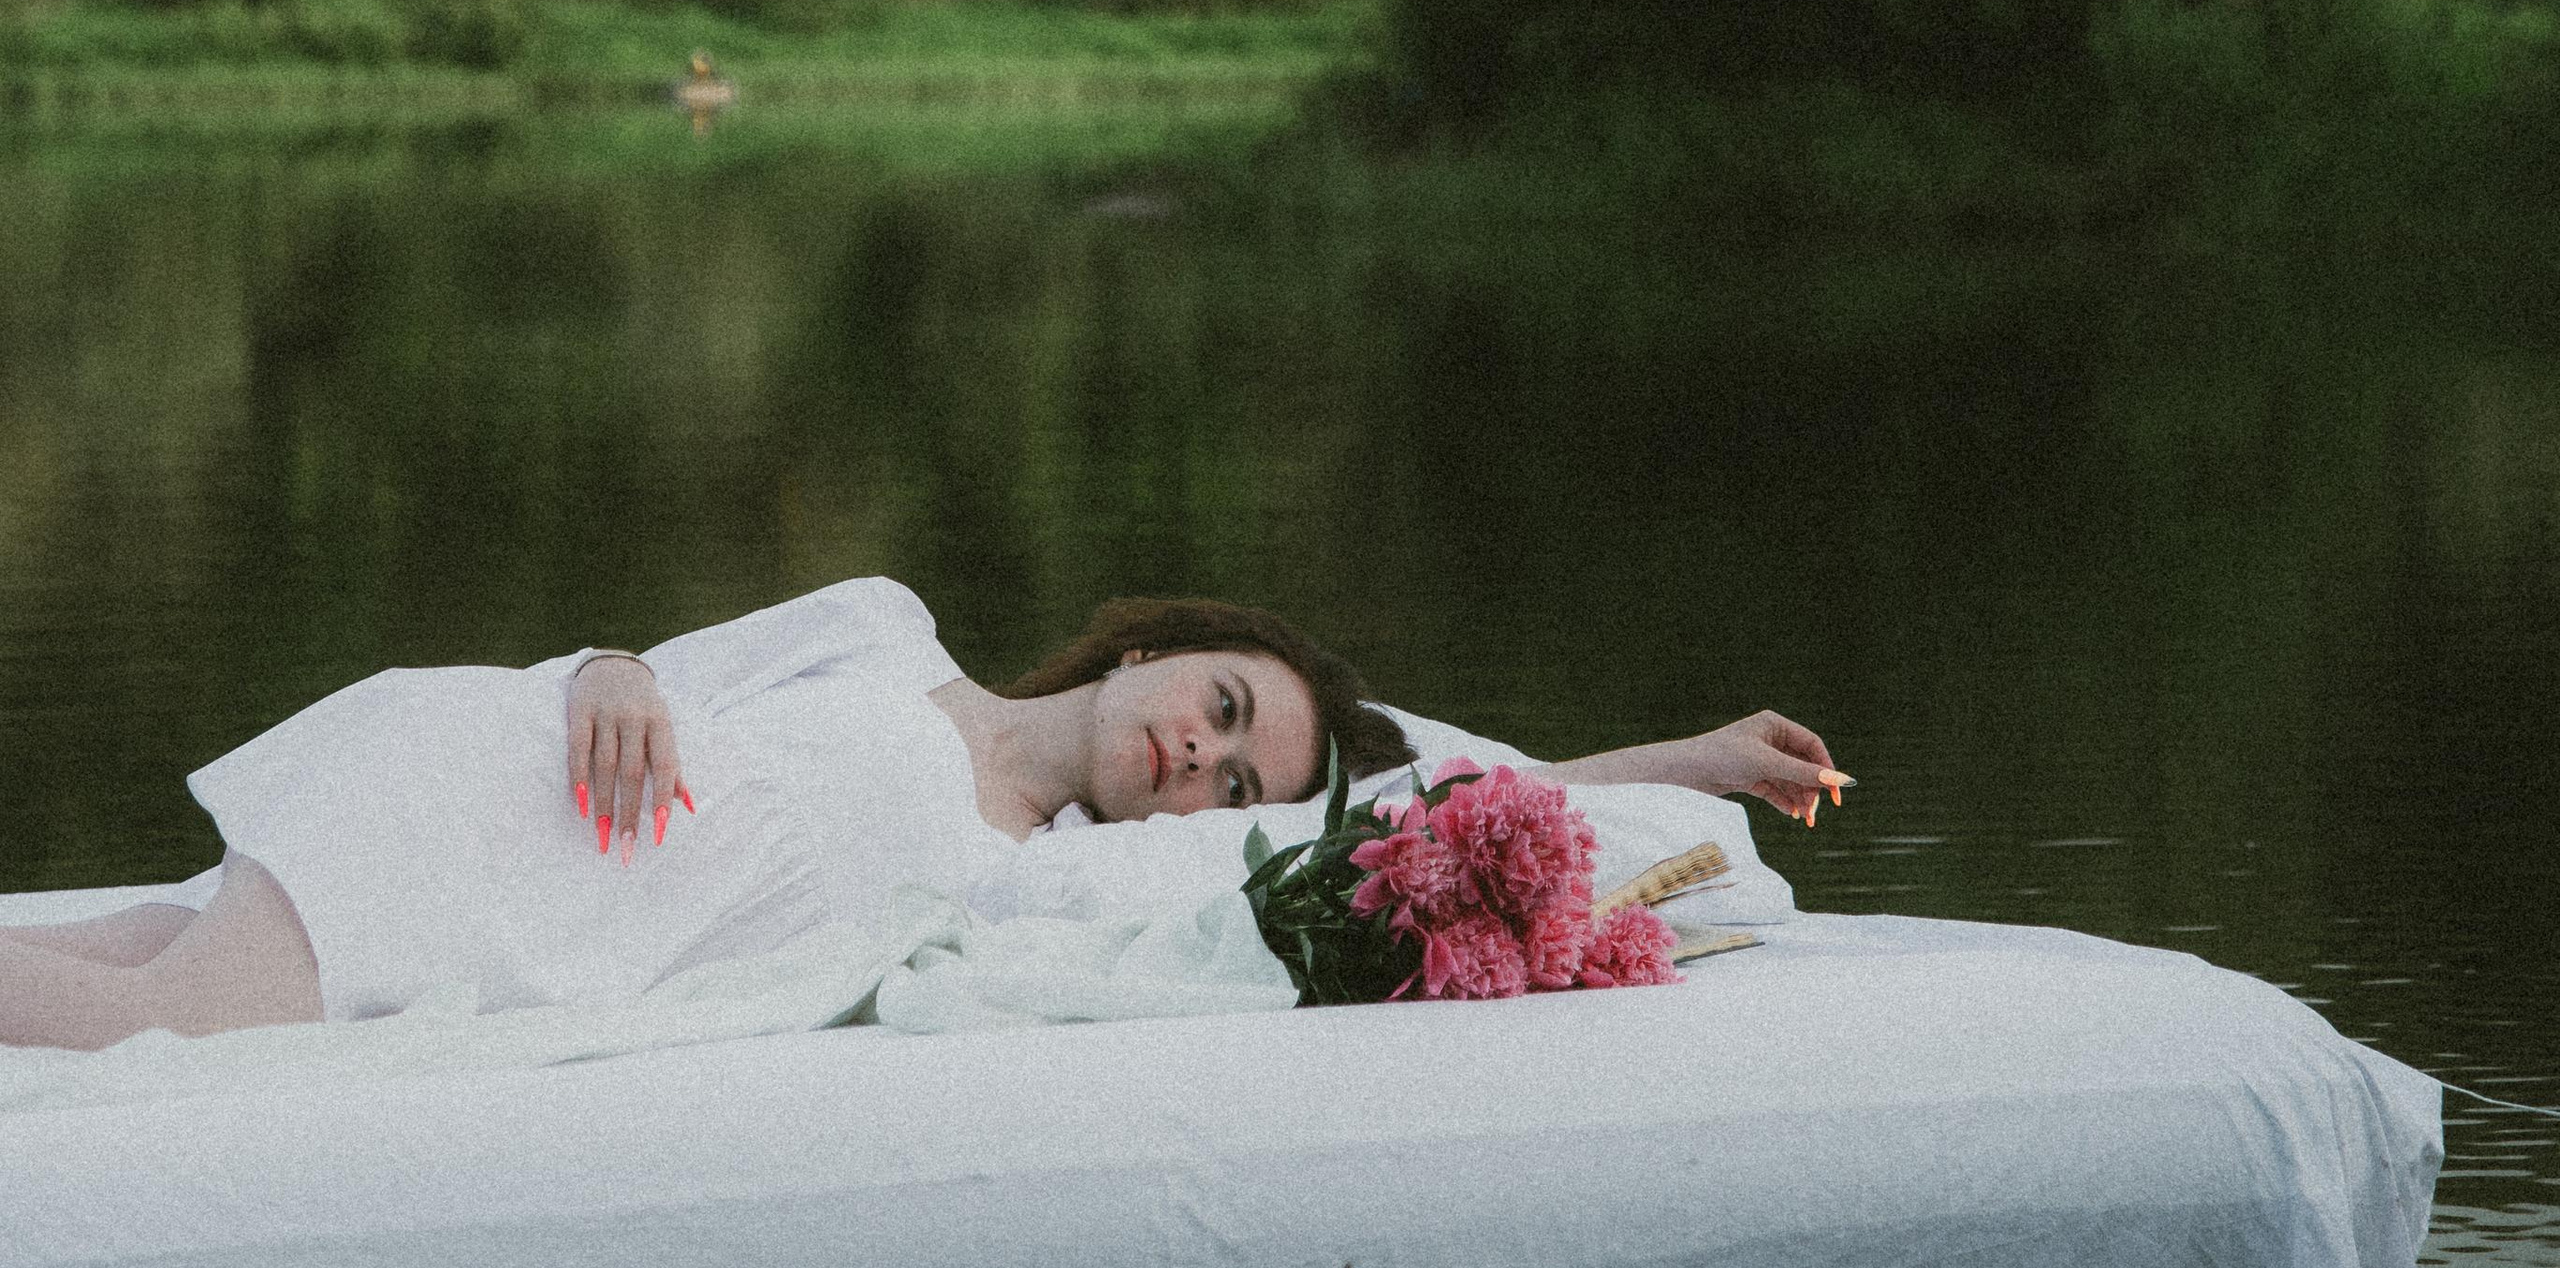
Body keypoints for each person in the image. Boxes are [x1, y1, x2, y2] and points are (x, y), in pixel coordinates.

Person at [0, 579, 1845, 1052]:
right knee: (185, 1016)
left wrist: (1678, 762)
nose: (1197, 759)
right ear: (1161, 651)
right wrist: (609, 673)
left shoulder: (1029, 881)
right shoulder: (887, 634)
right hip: (499, 792)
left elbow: (1426, 793)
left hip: (558, 930)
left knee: (152, 961)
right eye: (1218, 708)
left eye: (1235, 777)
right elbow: (641, 663)